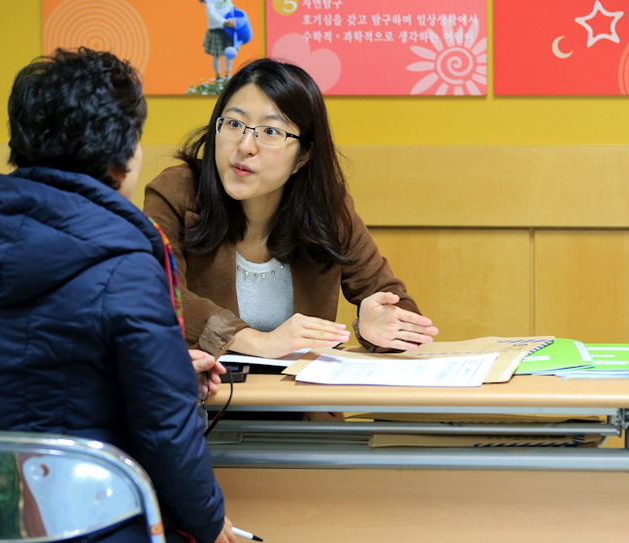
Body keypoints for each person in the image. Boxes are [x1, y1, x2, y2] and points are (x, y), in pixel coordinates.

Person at [0, 47, 290, 543]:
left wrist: (169, 366)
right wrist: (210, 526)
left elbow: (40, 376)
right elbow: (165, 432)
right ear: (122, 154)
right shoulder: (126, 256)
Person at [144, 57, 439, 361]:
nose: (245, 145)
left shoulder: (326, 207)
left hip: (300, 404)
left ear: (303, 156)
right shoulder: (175, 192)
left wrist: (375, 326)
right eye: (233, 124)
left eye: (270, 132)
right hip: (208, 402)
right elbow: (158, 294)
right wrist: (257, 342)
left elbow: (397, 306)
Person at [201, 0, 237, 81]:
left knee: (229, 53)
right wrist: (224, 22)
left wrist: (234, 19)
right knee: (216, 55)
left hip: (228, 31)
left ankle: (228, 74)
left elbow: (232, 8)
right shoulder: (210, 2)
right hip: (216, 30)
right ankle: (218, 76)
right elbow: (212, 15)